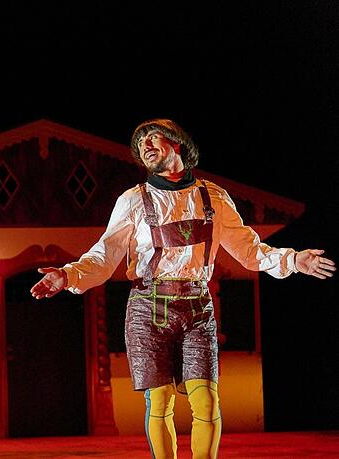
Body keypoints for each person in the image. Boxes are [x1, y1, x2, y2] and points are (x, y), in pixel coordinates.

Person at [30, 119, 334, 459]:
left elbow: (250, 251)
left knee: (207, 400)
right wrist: (67, 275)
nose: (144, 145)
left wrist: (294, 260)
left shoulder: (213, 197)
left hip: (197, 306)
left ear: (176, 143)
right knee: (160, 400)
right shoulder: (133, 200)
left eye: (151, 137)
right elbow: (105, 254)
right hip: (148, 307)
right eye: (139, 143)